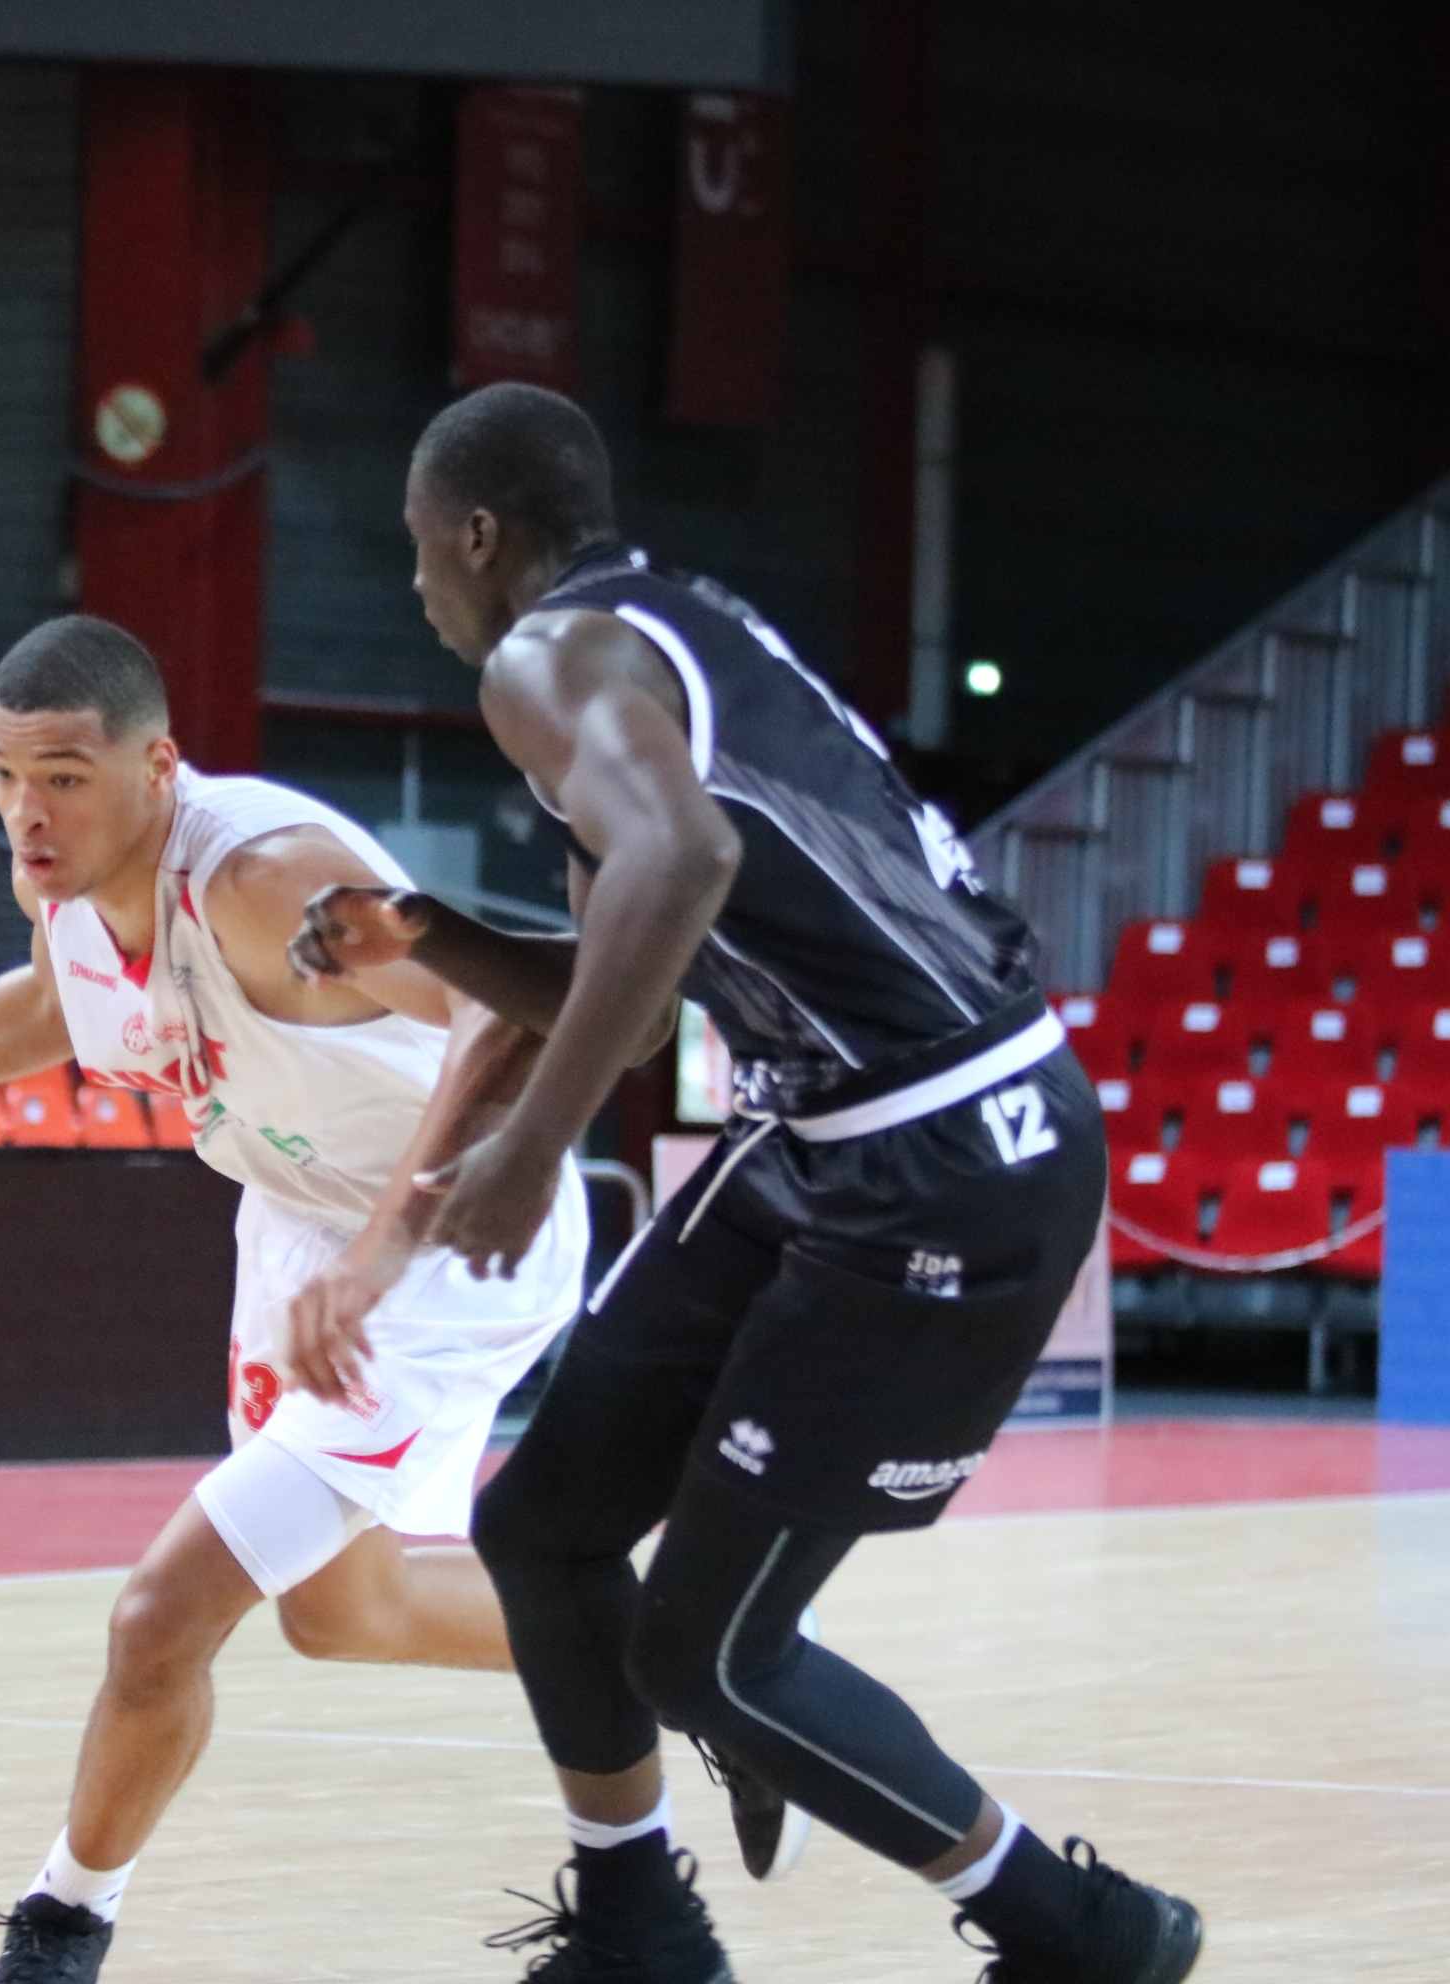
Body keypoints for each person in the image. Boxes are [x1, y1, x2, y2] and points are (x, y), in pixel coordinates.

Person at [287, 383, 1202, 1984]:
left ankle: (1078, 1933)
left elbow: (685, 865)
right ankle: (640, 1924)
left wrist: (525, 1148)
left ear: (481, 536)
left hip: (953, 1162)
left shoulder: (543, 657)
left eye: (420, 549)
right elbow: (634, 996)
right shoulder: (657, 632)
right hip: (826, 1138)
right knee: (546, 1524)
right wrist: (425, 932)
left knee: (707, 1654)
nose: (417, 585)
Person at [0, 613, 590, 1984]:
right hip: (305, 1231)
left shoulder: (261, 880)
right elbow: (53, 1008)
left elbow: (509, 1012)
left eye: (63, 775)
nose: (25, 810)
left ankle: (63, 1924)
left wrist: (377, 1255)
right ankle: (673, 1658)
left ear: (157, 768)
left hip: (447, 1235)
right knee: (343, 1614)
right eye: (4, 773)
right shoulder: (65, 884)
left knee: (160, 1613)